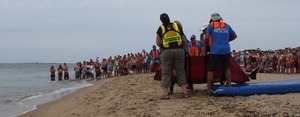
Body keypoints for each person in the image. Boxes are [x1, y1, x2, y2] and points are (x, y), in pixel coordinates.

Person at [201, 13, 237, 95]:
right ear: (220, 18)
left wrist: (206, 46)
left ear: (212, 19)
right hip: (226, 50)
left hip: (215, 50)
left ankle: (209, 90)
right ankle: (229, 86)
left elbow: (206, 38)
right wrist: (226, 41)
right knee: (226, 68)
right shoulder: (227, 26)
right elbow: (234, 36)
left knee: (211, 70)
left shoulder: (211, 25)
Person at [156, 13, 188, 99]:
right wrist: (183, 49)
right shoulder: (177, 25)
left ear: (161, 21)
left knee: (166, 72)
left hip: (167, 51)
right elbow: (184, 39)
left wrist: (163, 47)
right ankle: (185, 92)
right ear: (169, 18)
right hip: (179, 50)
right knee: (181, 71)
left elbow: (158, 42)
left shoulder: (161, 28)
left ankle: (166, 94)